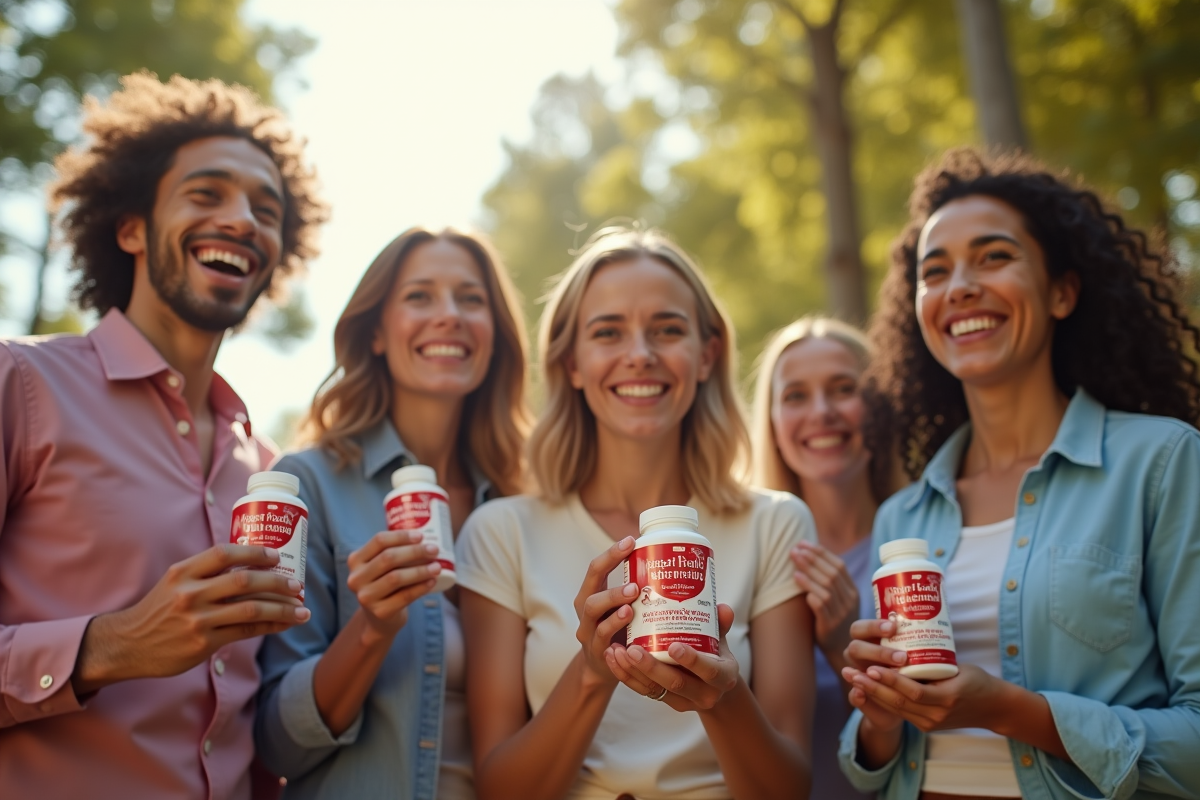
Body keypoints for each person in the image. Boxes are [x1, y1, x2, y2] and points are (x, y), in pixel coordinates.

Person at [0, 72, 327, 798]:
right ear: (132, 229)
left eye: (264, 209)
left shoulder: (270, 473)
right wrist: (106, 647)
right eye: (207, 193)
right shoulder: (19, 387)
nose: (243, 219)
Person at [838, 148, 1200, 799]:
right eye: (935, 270)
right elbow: (871, 766)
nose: (960, 286)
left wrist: (1008, 711)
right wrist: (880, 717)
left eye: (994, 256)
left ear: (1062, 291)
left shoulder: (1163, 463)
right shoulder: (904, 514)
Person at [457, 228, 817, 800]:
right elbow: (499, 788)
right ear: (571, 362)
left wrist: (722, 700)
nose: (641, 354)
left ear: (708, 355)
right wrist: (594, 672)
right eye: (608, 332)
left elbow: (790, 787)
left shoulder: (775, 525)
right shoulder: (503, 533)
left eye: (668, 330)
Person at [256, 227, 531, 799]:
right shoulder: (306, 486)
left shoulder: (523, 504)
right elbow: (277, 743)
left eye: (470, 298)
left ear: (496, 336)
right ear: (376, 334)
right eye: (420, 296)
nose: (449, 315)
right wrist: (372, 627)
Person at [751, 316, 895, 800]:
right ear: (770, 422)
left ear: (879, 406)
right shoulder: (744, 553)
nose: (821, 412)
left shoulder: (924, 546)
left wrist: (841, 648)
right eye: (795, 396)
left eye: (843, 389)